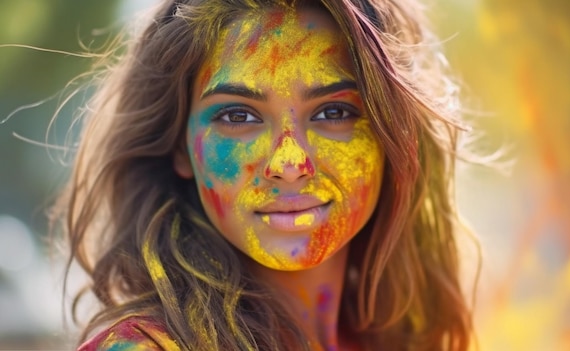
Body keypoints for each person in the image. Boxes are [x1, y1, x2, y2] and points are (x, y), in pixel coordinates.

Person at [54, 0, 473, 349]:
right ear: (180, 147)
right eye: (238, 115)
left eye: (334, 112)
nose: (290, 164)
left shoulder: (400, 339)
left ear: (393, 137)